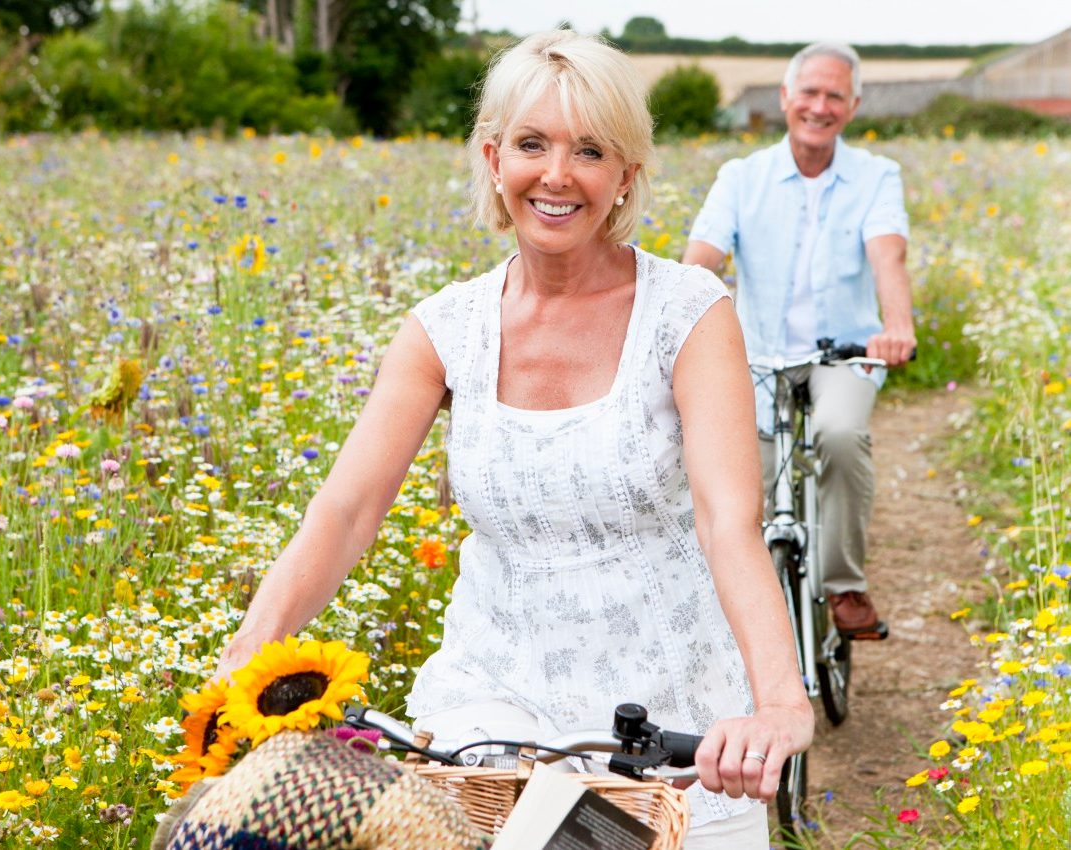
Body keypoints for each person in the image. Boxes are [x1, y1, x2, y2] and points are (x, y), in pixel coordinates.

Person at [216, 30, 812, 848]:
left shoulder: (687, 312)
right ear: (495, 158)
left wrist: (780, 701)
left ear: (625, 176)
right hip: (491, 701)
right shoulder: (445, 330)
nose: (558, 175)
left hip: (667, 713)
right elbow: (348, 510)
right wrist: (245, 659)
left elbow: (726, 520)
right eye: (533, 144)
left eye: (591, 151)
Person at [682, 42, 917, 639]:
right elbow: (703, 257)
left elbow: (888, 253)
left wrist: (897, 326)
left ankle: (844, 587)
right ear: (786, 98)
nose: (819, 105)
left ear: (853, 105)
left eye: (834, 95)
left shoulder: (876, 176)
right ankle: (741, 619)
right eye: (808, 92)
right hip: (756, 354)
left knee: (839, 434)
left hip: (843, 354)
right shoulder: (742, 177)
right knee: (743, 485)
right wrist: (685, 312)